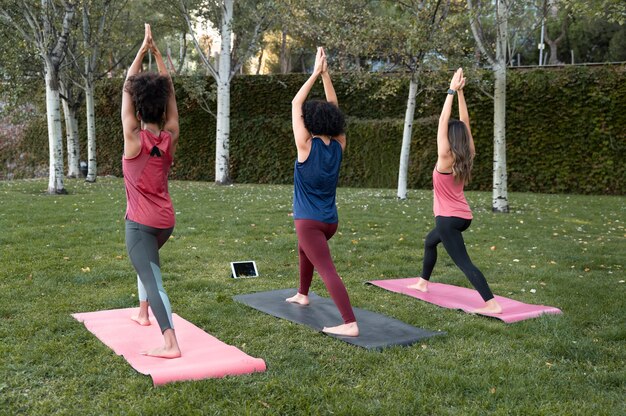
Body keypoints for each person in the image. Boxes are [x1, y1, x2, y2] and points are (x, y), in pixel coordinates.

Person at [408, 68, 502, 314]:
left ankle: (491, 304)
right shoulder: (467, 153)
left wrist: (450, 90)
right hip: (462, 216)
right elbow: (466, 123)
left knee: (464, 262)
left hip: (448, 219)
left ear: (449, 137)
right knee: (430, 242)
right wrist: (461, 92)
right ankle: (422, 282)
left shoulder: (445, 157)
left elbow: (442, 121)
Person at [285, 47, 359, 337]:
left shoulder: (306, 146)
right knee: (305, 249)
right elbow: (334, 105)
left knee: (326, 268)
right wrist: (327, 77)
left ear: (311, 122)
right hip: (330, 221)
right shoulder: (338, 146)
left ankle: (349, 322)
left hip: (309, 220)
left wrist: (315, 73)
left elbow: (295, 103)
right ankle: (303, 293)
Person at [121, 24, 182, 357]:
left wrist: (142, 51)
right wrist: (157, 55)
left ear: (140, 111)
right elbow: (170, 96)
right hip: (165, 221)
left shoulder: (133, 140)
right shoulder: (170, 136)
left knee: (151, 274)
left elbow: (126, 91)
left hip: (141, 224)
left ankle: (170, 343)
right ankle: (143, 313)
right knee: (148, 264)